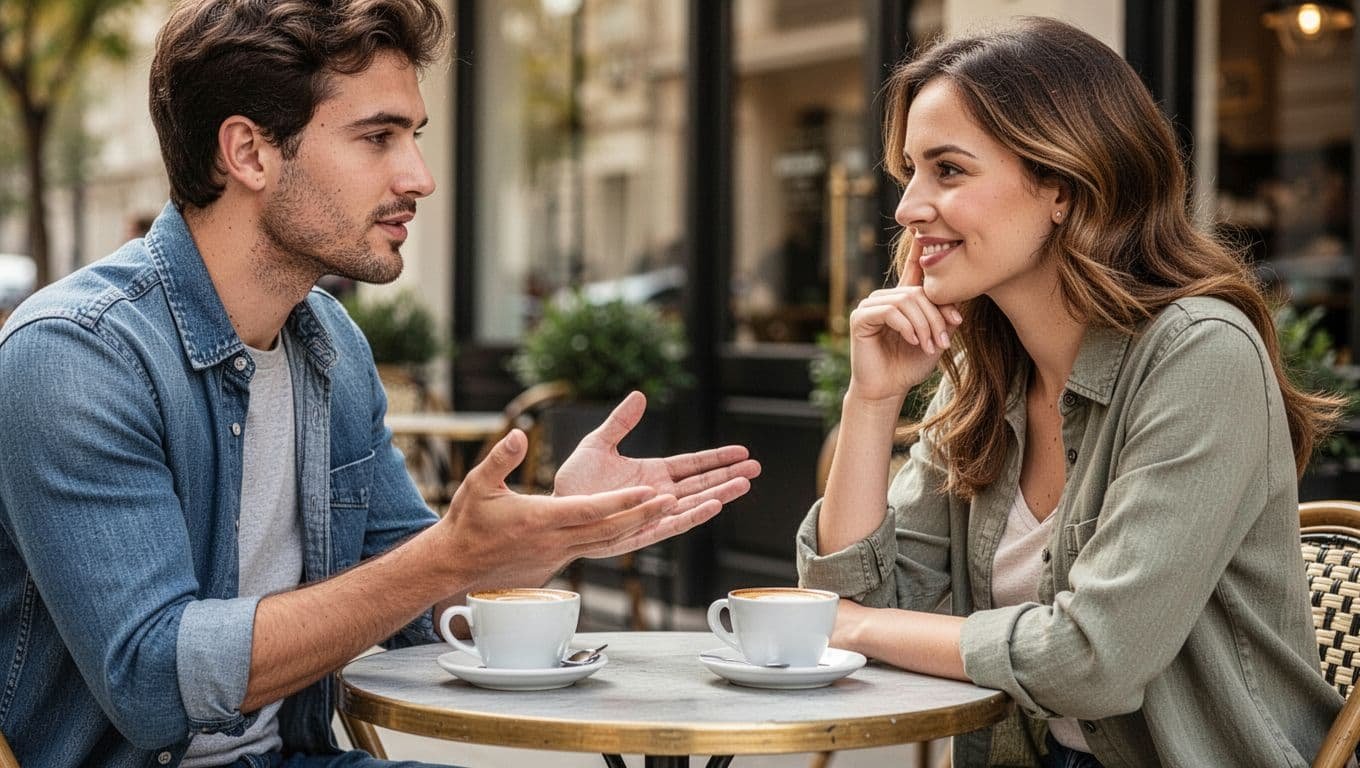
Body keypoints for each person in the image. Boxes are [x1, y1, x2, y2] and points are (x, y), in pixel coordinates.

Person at [0, 2, 760, 767]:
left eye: (415, 138)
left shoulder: (328, 344)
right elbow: (155, 679)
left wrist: (562, 524)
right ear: (249, 153)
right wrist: (448, 558)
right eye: (378, 138)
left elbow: (418, 601)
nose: (420, 178)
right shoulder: (76, 355)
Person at [795, 17, 1343, 768]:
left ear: (1062, 184)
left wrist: (852, 629)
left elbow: (1094, 659)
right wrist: (871, 401)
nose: (908, 207)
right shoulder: (992, 375)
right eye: (909, 174)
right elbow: (865, 597)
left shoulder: (1201, 356)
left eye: (948, 170)